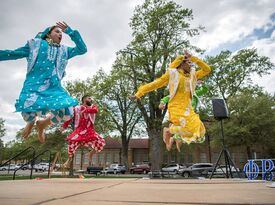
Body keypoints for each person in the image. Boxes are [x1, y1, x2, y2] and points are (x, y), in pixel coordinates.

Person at [0, 22, 87, 143]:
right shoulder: (35, 45)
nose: (60, 34)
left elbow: (82, 49)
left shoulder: (64, 51)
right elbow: (14, 53)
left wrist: (70, 32)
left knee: (68, 111)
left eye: (61, 33)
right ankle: (31, 122)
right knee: (27, 109)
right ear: (48, 34)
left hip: (54, 89)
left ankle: (42, 124)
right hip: (34, 87)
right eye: (57, 31)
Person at [130, 52, 211, 151]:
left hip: (188, 109)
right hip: (176, 108)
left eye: (191, 63)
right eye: (189, 63)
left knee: (200, 133)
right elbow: (155, 84)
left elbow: (207, 69)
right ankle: (169, 131)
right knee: (189, 128)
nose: (191, 65)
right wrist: (139, 93)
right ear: (182, 64)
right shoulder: (173, 74)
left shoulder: (193, 75)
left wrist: (193, 58)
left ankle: (170, 131)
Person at [159, 81, 209, 152]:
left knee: (199, 136)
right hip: (181, 115)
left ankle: (173, 138)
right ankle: (169, 131)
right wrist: (162, 103)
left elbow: (204, 90)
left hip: (190, 117)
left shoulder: (194, 94)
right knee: (188, 130)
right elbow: (167, 97)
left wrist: (202, 83)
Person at [61, 95, 106, 167]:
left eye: (91, 98)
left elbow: (95, 110)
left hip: (89, 130)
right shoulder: (77, 108)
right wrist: (64, 126)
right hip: (79, 129)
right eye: (89, 98)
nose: (91, 100)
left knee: (100, 142)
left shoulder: (93, 107)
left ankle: (90, 154)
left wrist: (85, 110)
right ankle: (69, 160)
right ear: (84, 99)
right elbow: (70, 117)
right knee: (72, 142)